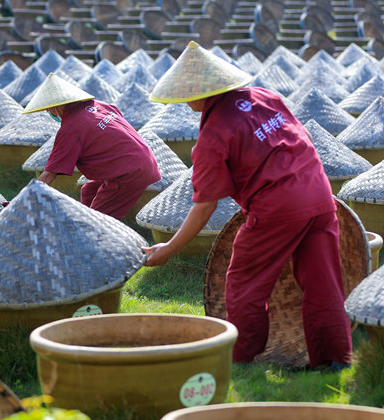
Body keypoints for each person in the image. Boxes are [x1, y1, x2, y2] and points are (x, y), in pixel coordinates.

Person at [141, 41, 352, 370]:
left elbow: (205, 205)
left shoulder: (213, 134)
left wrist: (169, 248)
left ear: (200, 93)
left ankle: (242, 358)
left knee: (243, 283)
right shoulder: (266, 98)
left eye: (187, 94)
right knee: (324, 280)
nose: (185, 101)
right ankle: (334, 359)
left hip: (277, 208)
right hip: (319, 194)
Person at [23, 73, 160, 221]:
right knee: (89, 190)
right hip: (145, 161)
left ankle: (95, 235)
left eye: (49, 109)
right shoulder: (102, 106)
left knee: (99, 222)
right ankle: (85, 226)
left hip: (128, 172)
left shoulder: (71, 128)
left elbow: (50, 174)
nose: (49, 113)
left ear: (57, 106)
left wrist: (24, 200)